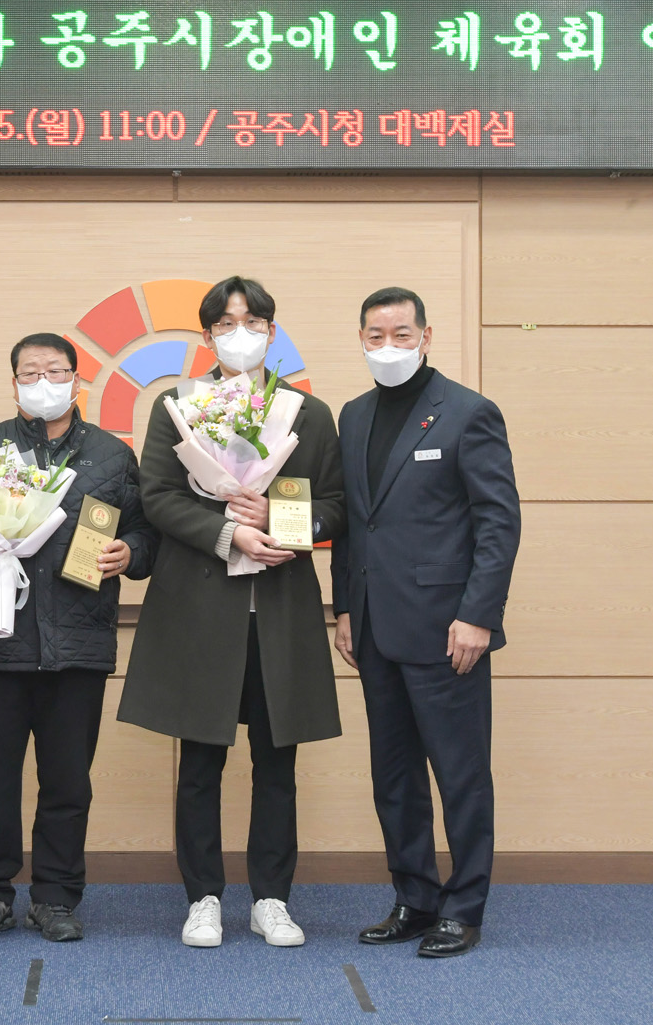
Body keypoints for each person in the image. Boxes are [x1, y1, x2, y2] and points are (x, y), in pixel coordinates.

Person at [119, 276, 346, 950]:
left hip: (279, 609)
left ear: (272, 333)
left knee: (278, 763)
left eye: (251, 322)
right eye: (224, 323)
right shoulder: (178, 406)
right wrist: (230, 533)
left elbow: (336, 506)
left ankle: (271, 898)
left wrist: (277, 518)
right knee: (199, 762)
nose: (238, 333)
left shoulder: (309, 414)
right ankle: (204, 898)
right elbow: (159, 497)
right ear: (207, 334)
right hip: (199, 607)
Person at [0, 332, 157, 943]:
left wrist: (129, 552)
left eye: (55, 371)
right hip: (4, 641)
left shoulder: (112, 455)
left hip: (80, 644)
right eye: (29, 372)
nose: (43, 383)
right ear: (13, 383)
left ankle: (56, 898)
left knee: (68, 781)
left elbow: (147, 532)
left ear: (77, 380)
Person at [331, 287, 521, 959]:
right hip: (373, 627)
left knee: (460, 774)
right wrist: (344, 607)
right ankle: (414, 898)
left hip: (448, 630)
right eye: (375, 336)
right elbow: (354, 523)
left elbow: (498, 522)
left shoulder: (468, 412)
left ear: (426, 336)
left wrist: (477, 615)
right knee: (394, 776)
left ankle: (463, 909)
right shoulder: (353, 415)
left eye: (401, 334)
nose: (388, 346)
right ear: (360, 339)